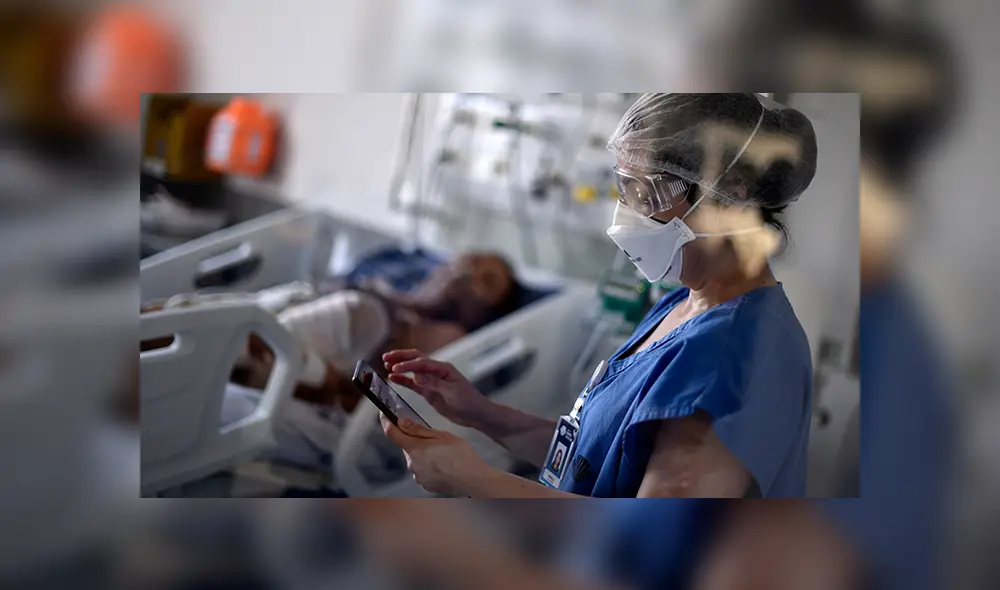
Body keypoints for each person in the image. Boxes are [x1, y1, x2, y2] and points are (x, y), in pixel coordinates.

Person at [379, 93, 819, 498]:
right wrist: (479, 412)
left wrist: (472, 479)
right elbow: (592, 457)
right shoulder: (684, 302)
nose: (627, 217)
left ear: (732, 195)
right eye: (626, 190)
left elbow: (649, 550)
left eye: (649, 194)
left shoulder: (739, 354)